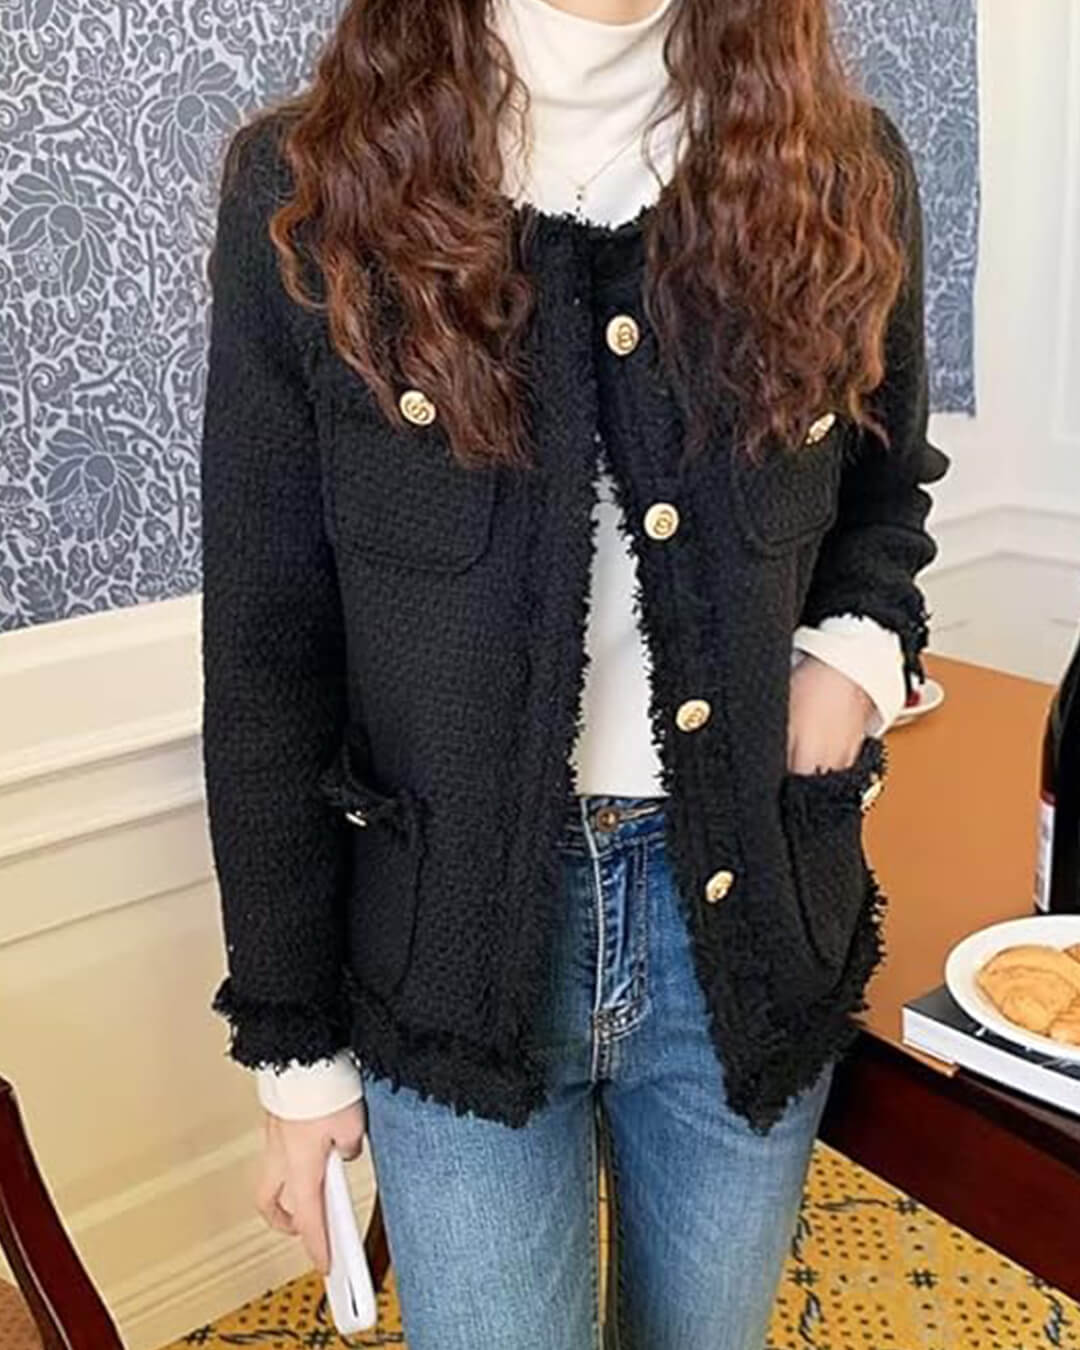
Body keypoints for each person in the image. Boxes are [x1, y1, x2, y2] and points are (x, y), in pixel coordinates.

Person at [198, 0, 949, 1345]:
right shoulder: (310, 191)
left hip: (747, 920)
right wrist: (295, 1047)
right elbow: (267, 649)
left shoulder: (845, 168)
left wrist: (852, 651)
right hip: (451, 948)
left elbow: (884, 489)